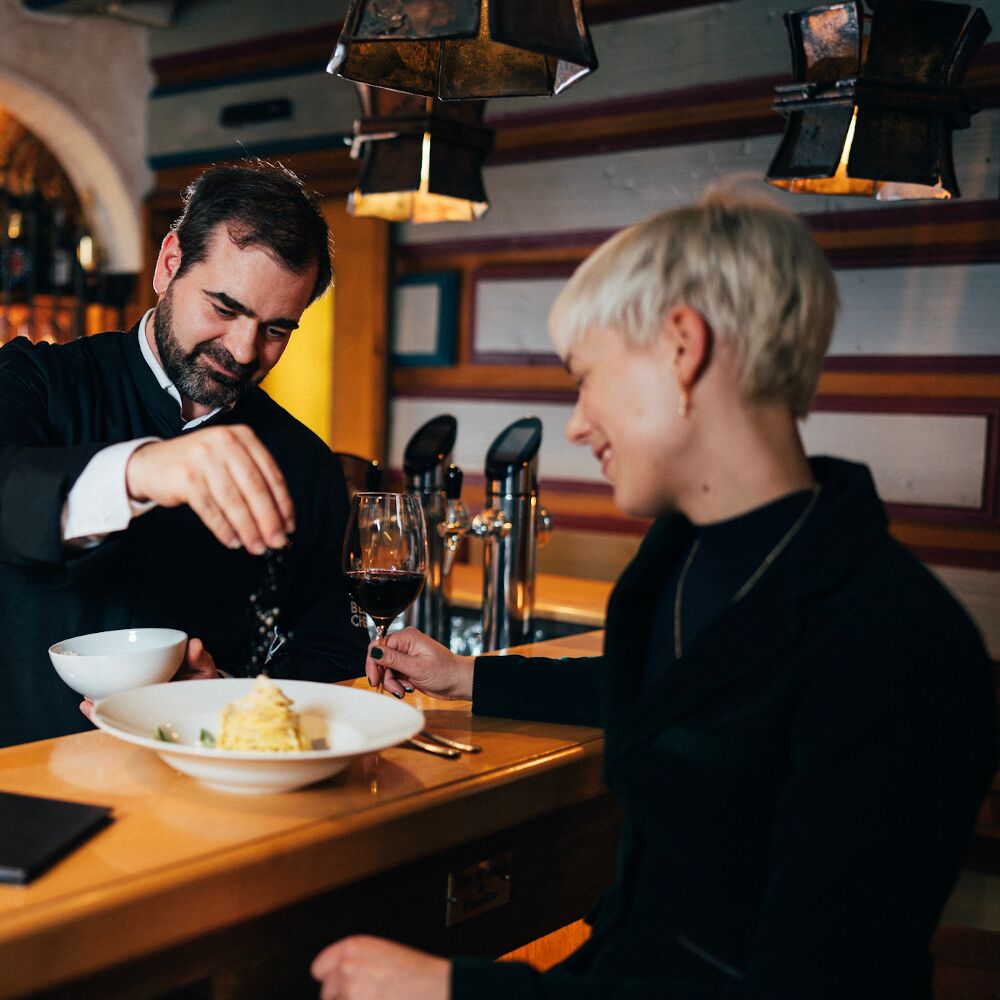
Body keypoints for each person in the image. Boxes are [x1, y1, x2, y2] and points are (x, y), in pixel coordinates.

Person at [310, 193, 998, 999]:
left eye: (587, 377)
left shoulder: (898, 646)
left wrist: (457, 990)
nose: (574, 424)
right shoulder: (682, 558)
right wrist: (469, 678)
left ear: (681, 347)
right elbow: (666, 697)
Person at [0, 160, 369, 747]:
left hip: (210, 803)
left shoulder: (306, 464)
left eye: (277, 329)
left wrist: (228, 692)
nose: (245, 350)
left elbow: (333, 650)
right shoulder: (36, 381)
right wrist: (143, 469)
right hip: (28, 789)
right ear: (169, 262)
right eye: (225, 308)